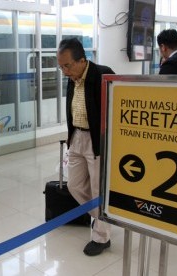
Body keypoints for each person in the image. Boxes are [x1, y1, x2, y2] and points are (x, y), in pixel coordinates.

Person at [57, 38, 114, 256]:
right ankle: (103, 217)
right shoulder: (72, 78)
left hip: (97, 140)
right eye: (61, 66)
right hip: (77, 137)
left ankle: (101, 237)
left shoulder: (103, 74)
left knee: (98, 189)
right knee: (74, 185)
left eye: (67, 65)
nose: (64, 71)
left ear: (82, 60)